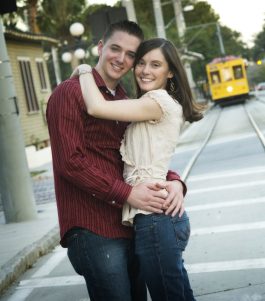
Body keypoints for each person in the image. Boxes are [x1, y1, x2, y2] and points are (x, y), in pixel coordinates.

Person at [46, 20, 187, 301]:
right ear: (100, 47)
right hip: (93, 228)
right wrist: (128, 193)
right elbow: (69, 162)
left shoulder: (125, 100)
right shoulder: (68, 93)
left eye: (131, 54)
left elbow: (138, 157)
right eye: (115, 48)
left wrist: (175, 182)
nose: (121, 59)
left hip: (131, 224)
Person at [71, 37, 206, 300]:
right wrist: (176, 181)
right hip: (153, 218)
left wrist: (85, 69)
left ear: (170, 72)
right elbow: (150, 158)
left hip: (155, 219)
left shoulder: (158, 101)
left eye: (156, 65)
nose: (145, 70)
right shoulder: (150, 104)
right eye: (141, 63)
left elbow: (96, 107)